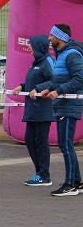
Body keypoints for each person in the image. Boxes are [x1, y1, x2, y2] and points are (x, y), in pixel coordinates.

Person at [33, 24, 83, 196]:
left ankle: (70, 185)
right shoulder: (61, 55)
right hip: (62, 105)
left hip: (69, 105)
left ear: (60, 37)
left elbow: (80, 79)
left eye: (51, 35)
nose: (49, 38)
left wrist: (58, 91)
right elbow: (60, 79)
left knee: (65, 145)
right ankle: (77, 181)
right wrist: (50, 88)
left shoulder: (72, 55)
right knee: (66, 144)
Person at [12, 36, 55, 186]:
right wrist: (23, 87)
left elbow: (54, 81)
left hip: (43, 110)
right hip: (32, 110)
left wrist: (38, 89)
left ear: (39, 46)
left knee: (41, 142)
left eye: (31, 45)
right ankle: (39, 173)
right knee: (30, 140)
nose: (29, 47)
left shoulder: (48, 62)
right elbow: (33, 81)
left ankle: (45, 175)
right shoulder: (35, 63)